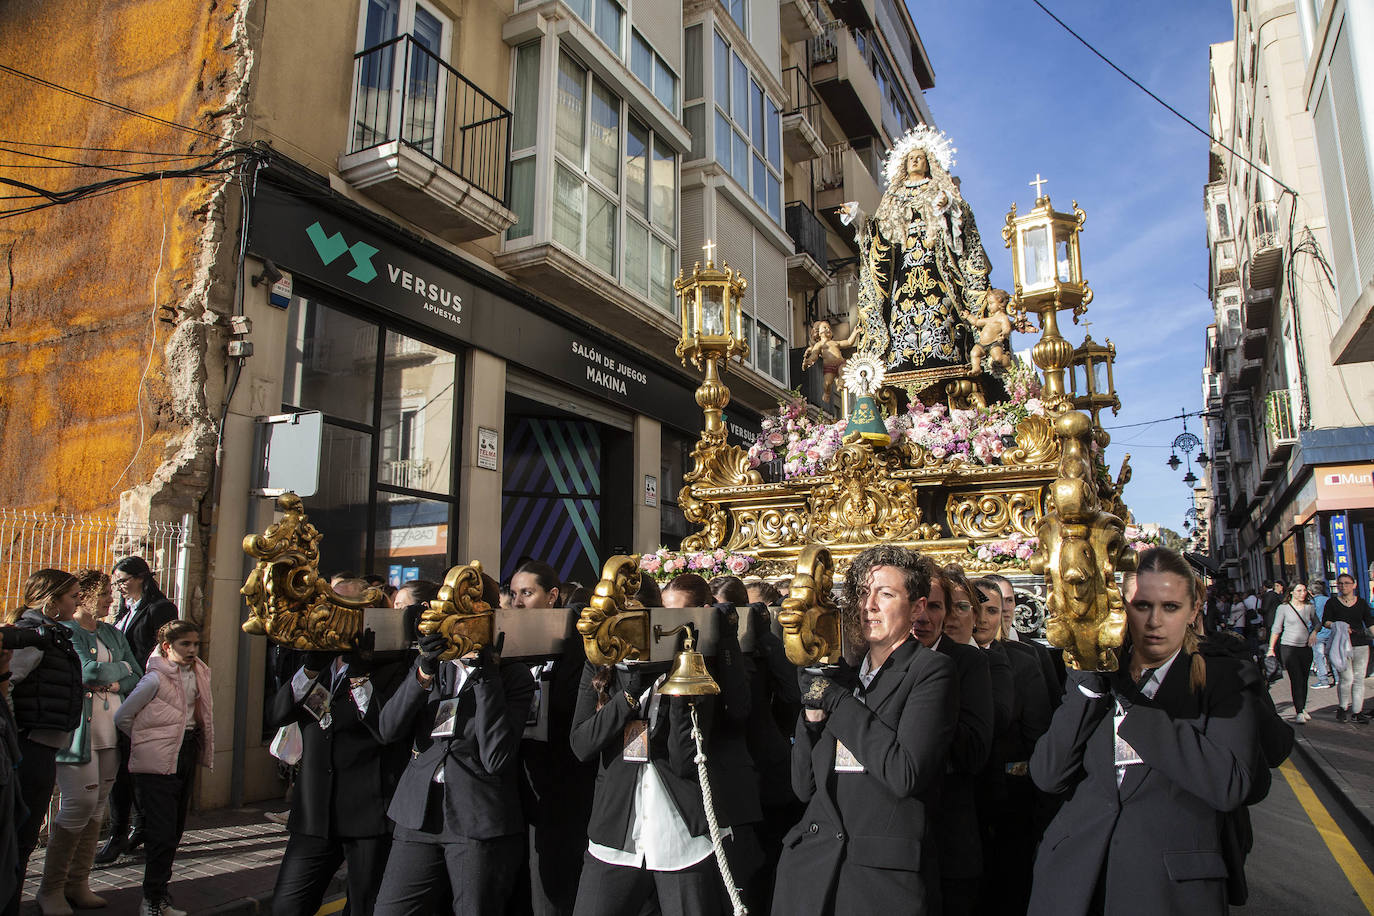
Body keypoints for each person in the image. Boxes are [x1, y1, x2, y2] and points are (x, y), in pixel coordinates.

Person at [1028, 547, 1260, 916]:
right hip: (1074, 880)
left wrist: (1134, 706)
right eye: (1141, 606)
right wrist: (1090, 688)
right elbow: (1048, 775)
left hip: (1168, 888)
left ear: (1192, 611)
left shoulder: (1225, 678)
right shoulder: (1095, 676)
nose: (1154, 621)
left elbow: (1229, 784)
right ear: (1121, 610)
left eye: (1170, 607)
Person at [772, 545, 957, 915]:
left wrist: (838, 703)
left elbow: (906, 774)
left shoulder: (931, 671)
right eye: (863, 594)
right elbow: (804, 786)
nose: (869, 605)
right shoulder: (842, 674)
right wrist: (810, 717)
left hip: (879, 883)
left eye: (885, 594)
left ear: (917, 607)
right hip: (811, 872)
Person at [374, 575, 535, 914]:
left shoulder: (513, 676)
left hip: (475, 819)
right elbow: (388, 729)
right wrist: (423, 669)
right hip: (418, 814)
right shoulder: (437, 666)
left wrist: (486, 675)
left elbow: (497, 757)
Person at [568, 611, 735, 916]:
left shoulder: (691, 666)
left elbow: (685, 760)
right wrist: (628, 696)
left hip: (681, 833)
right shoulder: (601, 666)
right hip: (616, 830)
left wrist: (680, 685)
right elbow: (581, 745)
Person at [267, 647, 409, 915]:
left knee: (363, 905)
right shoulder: (315, 666)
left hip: (367, 814)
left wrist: (360, 676)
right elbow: (277, 714)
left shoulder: (392, 664)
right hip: (314, 814)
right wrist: (309, 668)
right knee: (287, 906)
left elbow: (386, 729)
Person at [840, 127, 991, 375]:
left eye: (920, 157)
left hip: (935, 265)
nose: (915, 160)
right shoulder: (893, 197)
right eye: (911, 158)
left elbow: (961, 222)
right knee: (899, 313)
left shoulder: (938, 190)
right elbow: (881, 232)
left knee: (943, 314)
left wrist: (946, 207)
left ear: (929, 162)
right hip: (904, 269)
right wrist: (858, 217)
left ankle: (948, 359)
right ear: (904, 164)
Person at [45, 570, 141, 914]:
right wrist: (118, 673)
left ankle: (78, 883)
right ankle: (50, 888)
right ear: (84, 597)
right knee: (77, 805)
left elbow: (138, 674)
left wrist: (112, 681)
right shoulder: (65, 633)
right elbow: (87, 672)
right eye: (103, 594)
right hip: (79, 734)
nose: (110, 601)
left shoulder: (112, 633)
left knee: (98, 807)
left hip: (110, 734)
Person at [508, 561, 594, 916]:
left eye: (527, 593)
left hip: (562, 784)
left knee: (555, 888)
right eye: (513, 594)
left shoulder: (570, 642)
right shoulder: (508, 645)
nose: (517, 602)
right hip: (519, 783)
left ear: (552, 596)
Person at [114, 620, 215, 916]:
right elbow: (123, 716)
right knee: (160, 831)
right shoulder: (154, 679)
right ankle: (152, 900)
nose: (192, 650)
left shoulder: (199, 672)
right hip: (156, 761)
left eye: (196, 644)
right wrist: (150, 741)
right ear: (168, 647)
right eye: (185, 644)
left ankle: (160, 895)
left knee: (174, 830)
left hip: (185, 752)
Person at [5, 569, 84, 916]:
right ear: (52, 602)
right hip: (26, 749)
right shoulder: (30, 637)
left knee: (20, 841)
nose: (79, 602)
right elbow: (6, 686)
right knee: (16, 841)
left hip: (39, 746)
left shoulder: (49, 635)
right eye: (73, 596)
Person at [916, 565, 993, 915]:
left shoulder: (968, 663)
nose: (923, 616)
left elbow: (974, 753)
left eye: (934, 606)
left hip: (948, 839)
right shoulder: (872, 662)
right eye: (916, 605)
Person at [972, 577, 1049, 916]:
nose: (983, 619)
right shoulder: (940, 661)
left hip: (1009, 797)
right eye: (975, 609)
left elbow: (1038, 736)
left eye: (991, 610)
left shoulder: (1023, 661)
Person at [98, 556, 179, 865]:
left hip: (143, 692)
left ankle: (135, 828)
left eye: (123, 580)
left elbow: (162, 650)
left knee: (135, 766)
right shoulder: (122, 611)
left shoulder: (160, 609)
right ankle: (125, 829)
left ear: (141, 577)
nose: (119, 587)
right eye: (115, 582)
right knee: (121, 767)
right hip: (120, 693)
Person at [1322, 572, 1374, 723]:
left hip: (1361, 644)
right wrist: (1339, 626)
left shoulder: (1362, 603)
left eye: (1347, 583)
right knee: (1347, 678)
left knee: (1359, 679)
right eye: (1341, 583)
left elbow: (1369, 623)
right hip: (1341, 646)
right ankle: (1343, 707)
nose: (1343, 586)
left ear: (1354, 585)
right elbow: (1326, 621)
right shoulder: (1332, 603)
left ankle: (1357, 712)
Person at [1267, 582, 1319, 723]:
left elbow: (1317, 623)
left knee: (1304, 679)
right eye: (1299, 590)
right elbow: (1276, 628)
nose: (1302, 593)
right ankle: (1299, 710)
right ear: (1291, 592)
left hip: (1305, 648)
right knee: (1296, 678)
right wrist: (1271, 648)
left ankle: (1302, 708)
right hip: (1288, 648)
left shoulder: (1309, 608)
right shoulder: (1283, 608)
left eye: (1304, 590)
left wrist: (1314, 633)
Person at [1310, 581, 1334, 689]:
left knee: (1319, 657)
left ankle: (1324, 681)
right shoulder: (1329, 600)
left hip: (1318, 634)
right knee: (1332, 656)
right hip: (1330, 632)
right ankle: (1337, 678)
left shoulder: (1312, 603)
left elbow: (1311, 620)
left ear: (1311, 592)